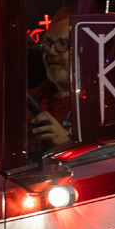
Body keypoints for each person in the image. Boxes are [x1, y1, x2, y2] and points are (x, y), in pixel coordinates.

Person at [29, 14, 75, 152]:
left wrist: (65, 143)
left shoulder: (105, 104)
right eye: (48, 43)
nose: (51, 52)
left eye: (63, 44)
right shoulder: (30, 99)